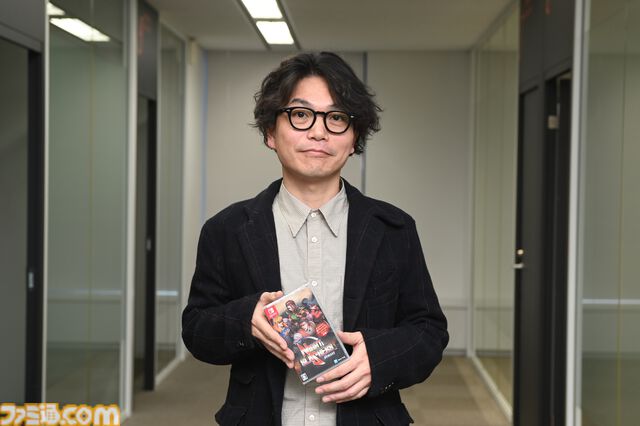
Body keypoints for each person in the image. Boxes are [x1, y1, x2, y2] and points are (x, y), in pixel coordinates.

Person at [182, 52, 449, 426]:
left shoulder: (394, 229)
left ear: (354, 138)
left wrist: (379, 358)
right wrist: (246, 320)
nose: (319, 132)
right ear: (271, 132)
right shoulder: (226, 230)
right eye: (301, 114)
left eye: (336, 118)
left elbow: (429, 331)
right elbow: (197, 328)